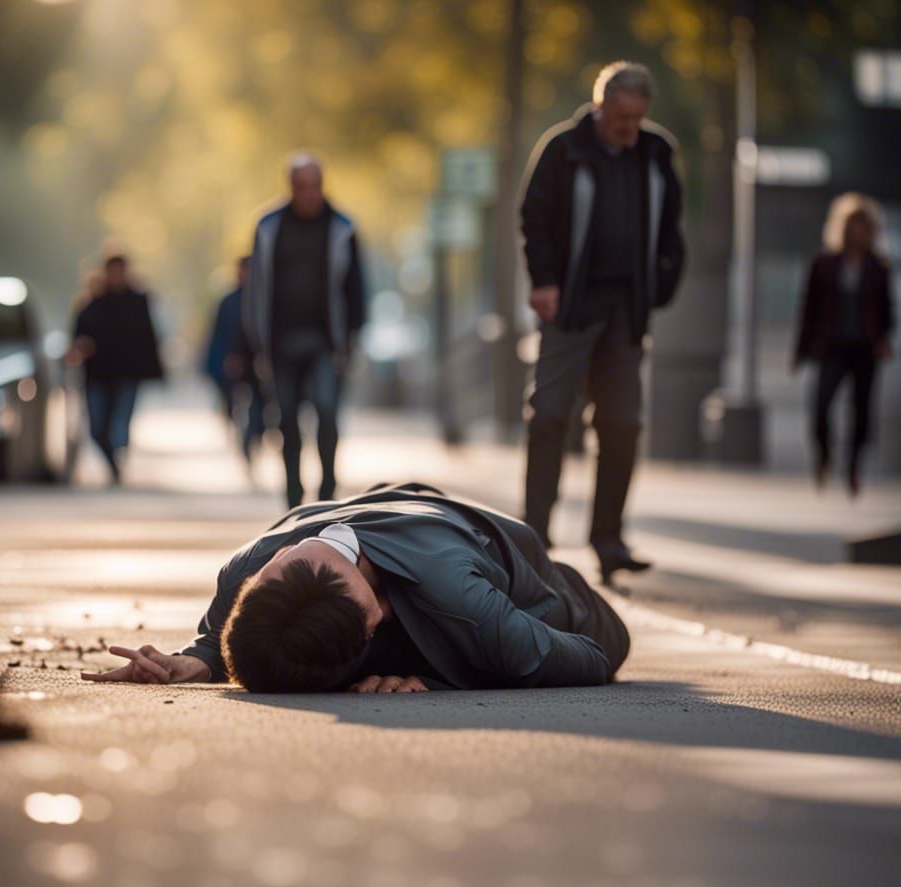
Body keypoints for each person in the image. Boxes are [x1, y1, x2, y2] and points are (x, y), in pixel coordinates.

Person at [80, 483, 630, 694]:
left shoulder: (466, 605)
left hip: (560, 601)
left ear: (373, 623)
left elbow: (595, 656)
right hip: (411, 511)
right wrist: (188, 663)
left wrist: (437, 683)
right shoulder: (244, 573)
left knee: (523, 630)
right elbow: (229, 644)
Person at [519, 61, 685, 583]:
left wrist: (661, 285)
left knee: (623, 425)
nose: (628, 128)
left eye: (637, 118)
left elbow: (671, 228)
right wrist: (544, 280)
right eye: (620, 117)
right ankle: (533, 538)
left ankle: (608, 540)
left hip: (624, 312)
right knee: (548, 412)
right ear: (600, 106)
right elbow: (534, 216)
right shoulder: (563, 149)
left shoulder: (656, 153)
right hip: (570, 307)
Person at [243, 152, 366, 508]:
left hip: (327, 342)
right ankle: (293, 495)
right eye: (302, 187)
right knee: (287, 419)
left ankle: (327, 489)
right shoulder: (268, 227)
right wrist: (257, 344)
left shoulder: (342, 228)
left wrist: (352, 336)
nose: (309, 194)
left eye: (314, 186)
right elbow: (255, 290)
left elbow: (356, 288)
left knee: (327, 411)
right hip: (280, 343)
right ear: (291, 187)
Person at [793, 193, 894, 496]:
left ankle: (853, 468)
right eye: (854, 226)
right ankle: (824, 456)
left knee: (861, 411)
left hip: (864, 347)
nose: (858, 233)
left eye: (864, 227)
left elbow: (887, 310)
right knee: (821, 404)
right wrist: (800, 351)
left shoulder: (878, 267)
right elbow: (808, 309)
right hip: (832, 345)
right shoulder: (824, 264)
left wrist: (883, 339)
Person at [71, 252, 164, 482]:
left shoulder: (137, 301)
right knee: (96, 429)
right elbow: (78, 336)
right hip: (97, 375)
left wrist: (155, 370)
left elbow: (149, 338)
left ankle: (117, 460)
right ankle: (113, 463)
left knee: (118, 426)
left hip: (126, 374)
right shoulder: (92, 303)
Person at [203, 257, 266, 468]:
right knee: (234, 402)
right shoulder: (228, 301)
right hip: (233, 361)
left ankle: (251, 439)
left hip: (259, 362)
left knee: (259, 407)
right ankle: (243, 435)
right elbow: (218, 334)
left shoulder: (264, 298)